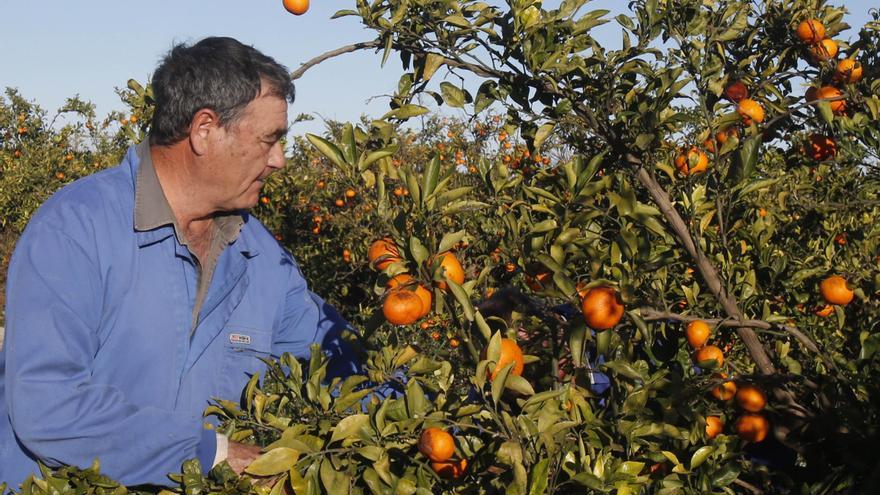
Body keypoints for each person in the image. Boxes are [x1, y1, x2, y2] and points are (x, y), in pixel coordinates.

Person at [0, 37, 358, 488]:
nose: (279, 161)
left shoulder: (261, 259)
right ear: (204, 130)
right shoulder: (76, 229)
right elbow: (47, 403)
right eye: (269, 140)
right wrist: (212, 454)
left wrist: (434, 403)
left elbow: (340, 362)